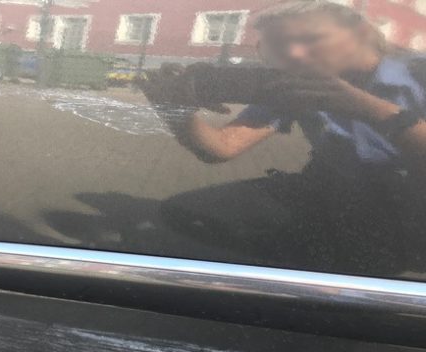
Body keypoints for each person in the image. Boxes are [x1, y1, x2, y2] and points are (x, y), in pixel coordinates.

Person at [156, 1, 426, 275]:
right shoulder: (295, 82)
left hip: (412, 199)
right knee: (187, 212)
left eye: (311, 39)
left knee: (360, 252)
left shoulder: (420, 73)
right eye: (279, 46)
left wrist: (365, 107)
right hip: (333, 190)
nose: (294, 53)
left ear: (361, 33)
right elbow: (223, 146)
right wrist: (173, 107)